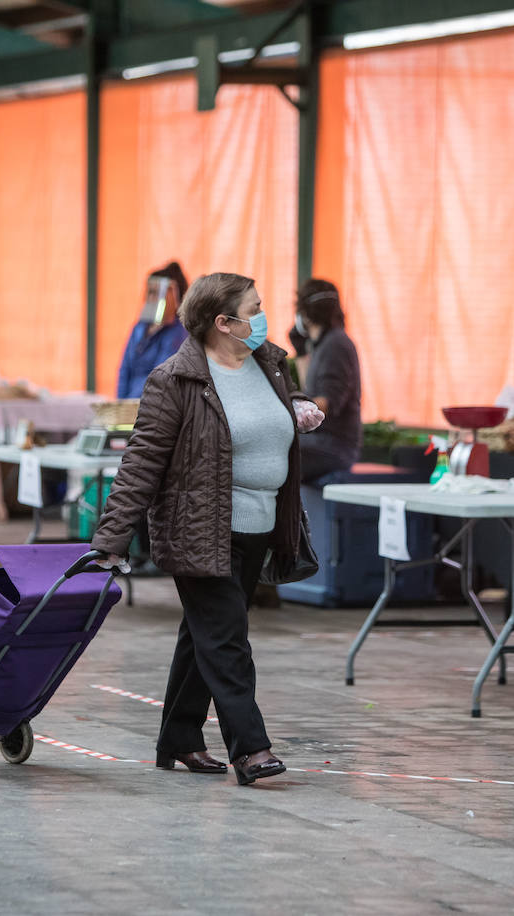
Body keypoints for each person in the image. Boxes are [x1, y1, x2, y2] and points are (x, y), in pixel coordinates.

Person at [90, 272, 324, 786]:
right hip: (198, 530)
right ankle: (251, 749)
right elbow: (142, 461)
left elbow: (265, 424)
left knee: (204, 637)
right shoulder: (175, 380)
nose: (262, 318)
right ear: (223, 322)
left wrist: (296, 409)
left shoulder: (269, 364)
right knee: (226, 639)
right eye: (254, 309)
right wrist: (110, 540)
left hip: (260, 525)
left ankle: (179, 738)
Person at [293, 279, 362, 482]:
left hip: (333, 446)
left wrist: (284, 415)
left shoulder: (336, 345)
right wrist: (300, 352)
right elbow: (311, 393)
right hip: (323, 442)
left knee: (273, 449)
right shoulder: (326, 345)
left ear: (303, 314)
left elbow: (325, 404)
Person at [116, 262, 189, 399]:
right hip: (129, 405)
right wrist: (121, 403)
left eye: (156, 293)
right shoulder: (139, 327)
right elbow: (124, 369)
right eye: (149, 292)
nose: (150, 298)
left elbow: (160, 375)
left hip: (155, 405)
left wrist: (138, 404)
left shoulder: (179, 333)